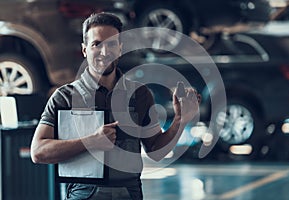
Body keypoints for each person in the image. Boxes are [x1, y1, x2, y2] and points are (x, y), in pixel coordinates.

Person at [30, 12, 200, 200]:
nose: (105, 51)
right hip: (82, 193)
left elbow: (156, 151)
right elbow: (38, 152)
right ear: (84, 50)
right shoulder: (64, 97)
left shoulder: (139, 95)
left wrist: (180, 121)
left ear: (120, 49)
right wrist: (90, 142)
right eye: (97, 44)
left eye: (111, 44)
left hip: (128, 193)